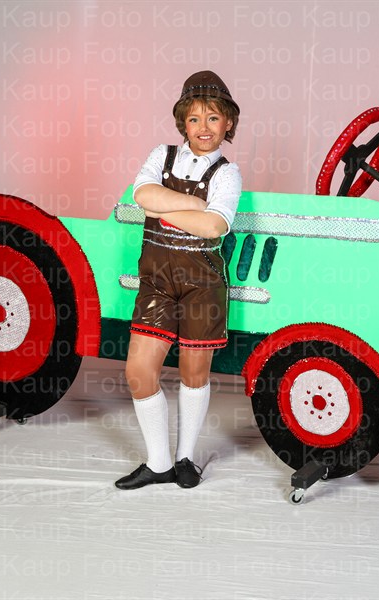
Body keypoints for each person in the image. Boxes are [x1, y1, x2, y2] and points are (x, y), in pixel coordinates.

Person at [115, 71, 241, 490]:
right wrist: (194, 205)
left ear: (228, 123)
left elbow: (215, 226)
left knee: (193, 371)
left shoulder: (228, 173)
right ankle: (158, 463)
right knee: (139, 371)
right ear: (182, 122)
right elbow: (142, 195)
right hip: (156, 281)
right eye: (194, 118)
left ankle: (185, 458)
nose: (203, 128)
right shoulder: (161, 155)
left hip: (203, 285)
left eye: (213, 118)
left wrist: (163, 208)